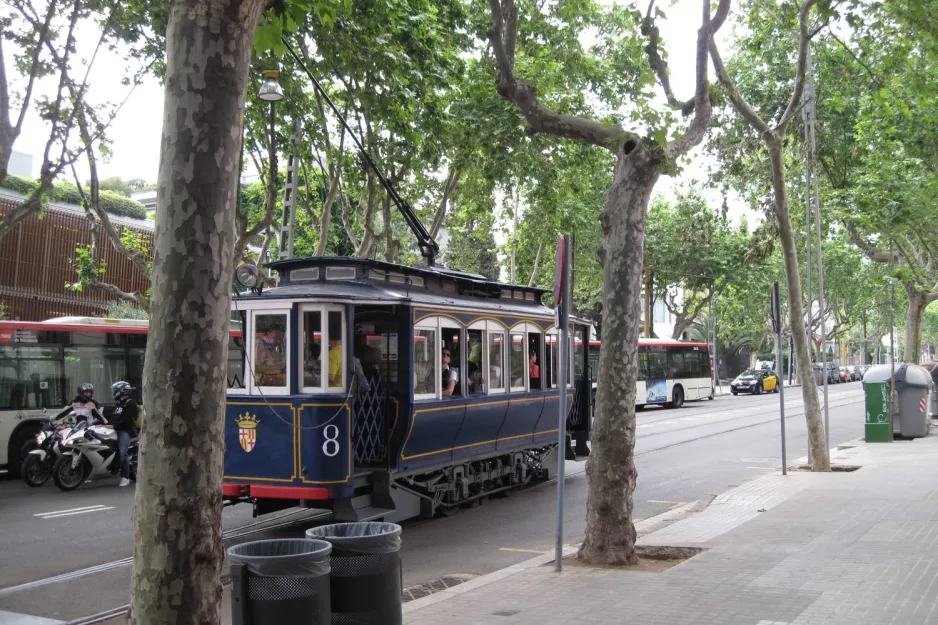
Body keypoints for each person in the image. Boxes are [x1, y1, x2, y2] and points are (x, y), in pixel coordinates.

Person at [109, 381, 138, 487]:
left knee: (123, 453)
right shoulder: (118, 404)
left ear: (122, 390)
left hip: (125, 431)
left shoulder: (130, 403)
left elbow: (128, 420)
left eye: (116, 390)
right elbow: (113, 418)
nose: (114, 392)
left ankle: (125, 477)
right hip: (114, 431)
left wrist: (114, 426)